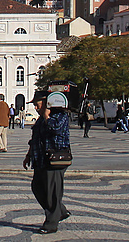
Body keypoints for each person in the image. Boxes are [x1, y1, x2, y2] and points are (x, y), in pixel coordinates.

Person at [24, 90, 72, 235]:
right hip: (40, 159)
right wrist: (28, 155)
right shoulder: (40, 119)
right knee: (37, 187)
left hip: (55, 160)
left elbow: (56, 129)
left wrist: (46, 116)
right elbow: (35, 138)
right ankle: (60, 211)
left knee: (52, 192)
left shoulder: (60, 116)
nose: (36, 108)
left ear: (46, 102)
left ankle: (51, 223)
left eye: (37, 105)